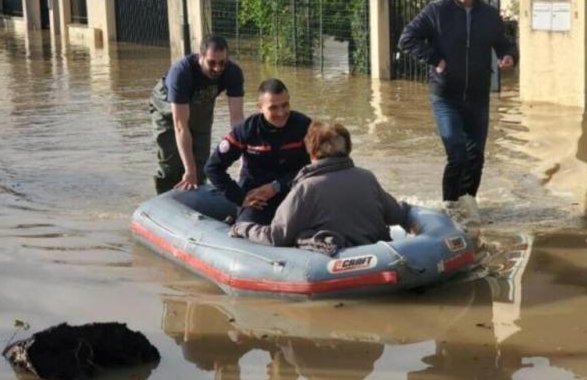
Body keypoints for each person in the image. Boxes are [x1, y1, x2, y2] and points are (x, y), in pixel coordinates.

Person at [397, 0, 518, 224]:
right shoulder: (436, 11)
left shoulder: (488, 15)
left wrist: (508, 57)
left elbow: (505, 44)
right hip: (445, 96)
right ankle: (450, 206)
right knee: (457, 151)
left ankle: (469, 203)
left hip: (478, 97)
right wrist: (435, 59)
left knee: (476, 156)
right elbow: (407, 38)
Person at [230, 121, 409, 252]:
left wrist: (243, 227)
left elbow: (277, 236)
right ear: (348, 149)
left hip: (334, 262)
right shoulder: (367, 177)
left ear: (312, 152)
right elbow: (396, 215)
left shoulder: (305, 189)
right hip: (375, 253)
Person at [205, 78, 311, 225]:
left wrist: (277, 186)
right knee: (248, 230)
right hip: (257, 197)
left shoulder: (304, 126)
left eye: (285, 105)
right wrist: (240, 198)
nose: (281, 113)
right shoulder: (246, 131)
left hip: (293, 190)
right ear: (259, 107)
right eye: (273, 108)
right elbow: (213, 168)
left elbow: (315, 167)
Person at [149, 35, 244, 194]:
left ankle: (194, 205)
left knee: (201, 167)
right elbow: (180, 126)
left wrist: (244, 158)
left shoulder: (233, 72)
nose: (218, 68)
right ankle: (163, 202)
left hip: (201, 106)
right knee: (171, 165)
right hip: (167, 107)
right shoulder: (181, 73)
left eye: (222, 63)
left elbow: (237, 120)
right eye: (212, 63)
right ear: (200, 57)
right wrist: (188, 169)